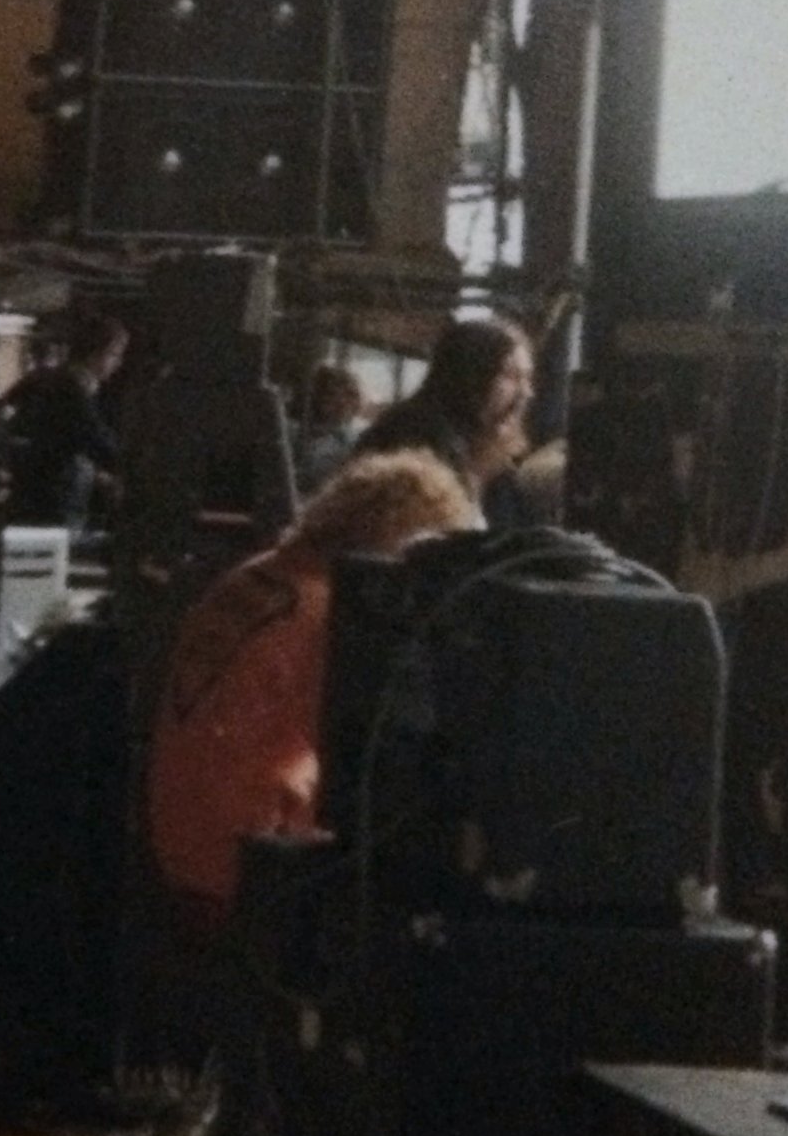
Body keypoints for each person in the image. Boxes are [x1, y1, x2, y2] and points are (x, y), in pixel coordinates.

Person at [145, 449, 477, 931]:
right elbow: (363, 761)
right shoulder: (329, 614)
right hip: (242, 870)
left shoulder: (257, 575)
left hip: (181, 846)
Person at [355, 314, 535, 528]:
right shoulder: (415, 440)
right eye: (510, 375)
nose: (526, 392)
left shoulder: (489, 451)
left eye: (527, 378)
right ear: (470, 375)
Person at [4, 313, 129, 529]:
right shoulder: (72, 390)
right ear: (94, 354)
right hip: (54, 501)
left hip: (28, 493)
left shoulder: (46, 379)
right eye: (114, 354)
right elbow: (99, 441)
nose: (118, 363)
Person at [294, 362, 366, 494]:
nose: (341, 402)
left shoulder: (359, 436)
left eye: (349, 394)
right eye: (331, 394)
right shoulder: (296, 433)